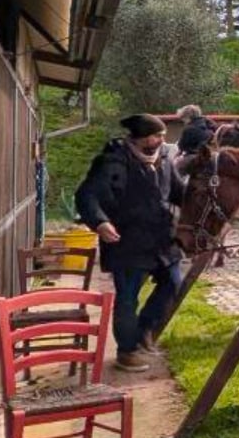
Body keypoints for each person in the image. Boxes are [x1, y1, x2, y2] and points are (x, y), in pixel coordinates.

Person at [75, 113, 185, 371]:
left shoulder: (165, 161)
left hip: (162, 240)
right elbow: (86, 195)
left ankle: (144, 329)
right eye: (158, 135)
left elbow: (180, 193)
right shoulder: (113, 161)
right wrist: (100, 222)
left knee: (173, 283)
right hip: (127, 242)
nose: (162, 140)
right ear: (143, 137)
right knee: (127, 298)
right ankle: (126, 352)